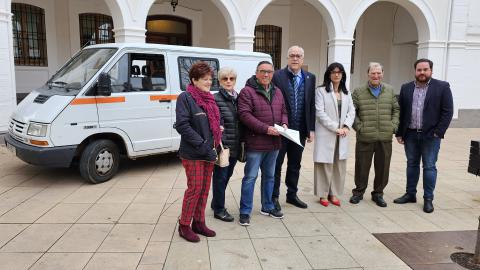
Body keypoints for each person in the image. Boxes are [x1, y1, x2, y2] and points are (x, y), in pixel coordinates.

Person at [393, 58, 453, 213]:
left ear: (431, 71)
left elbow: (447, 112)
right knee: (411, 164)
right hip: (411, 134)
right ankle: (410, 194)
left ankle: (428, 199)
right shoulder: (406, 88)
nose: (422, 72)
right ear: (415, 71)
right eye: (419, 70)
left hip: (431, 136)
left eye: (425, 69)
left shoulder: (442, 87)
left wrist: (438, 133)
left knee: (429, 166)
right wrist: (400, 132)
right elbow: (401, 112)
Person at [237, 61, 288, 226]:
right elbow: (245, 115)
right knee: (250, 177)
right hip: (256, 144)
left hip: (274, 143)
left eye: (269, 72)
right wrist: (266, 129)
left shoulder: (278, 91)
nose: (266, 75)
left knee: (270, 177)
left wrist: (285, 124)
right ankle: (245, 211)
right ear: (256, 73)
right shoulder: (247, 92)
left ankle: (267, 206)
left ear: (273, 74)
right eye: (263, 71)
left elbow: (284, 112)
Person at [175, 61, 220, 242]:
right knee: (194, 189)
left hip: (210, 151)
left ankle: (199, 222)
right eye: (204, 79)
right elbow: (183, 126)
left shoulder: (210, 98)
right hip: (194, 153)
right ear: (194, 80)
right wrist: (203, 146)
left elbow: (215, 122)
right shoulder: (185, 98)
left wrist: (219, 129)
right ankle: (184, 225)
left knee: (204, 189)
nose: (209, 82)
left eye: (210, 79)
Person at [272, 45, 316, 210]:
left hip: (300, 130)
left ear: (302, 59)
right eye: (292, 55)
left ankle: (291, 195)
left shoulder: (310, 77)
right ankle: (274, 197)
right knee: (277, 164)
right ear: (287, 58)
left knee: (295, 164)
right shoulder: (277, 76)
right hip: (282, 130)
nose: (295, 58)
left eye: (298, 56)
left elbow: (311, 105)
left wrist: (311, 129)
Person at [350, 62, 400, 207]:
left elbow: (396, 109)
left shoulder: (390, 90)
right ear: (368, 74)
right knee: (361, 167)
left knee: (383, 168)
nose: (376, 76)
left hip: (385, 137)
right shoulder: (359, 91)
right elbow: (352, 112)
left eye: (378, 73)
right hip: (365, 136)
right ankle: (358, 192)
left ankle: (378, 194)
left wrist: (393, 126)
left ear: (382, 74)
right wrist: (359, 127)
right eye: (373, 73)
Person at [313, 63, 355, 206]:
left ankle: (334, 193)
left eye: (339, 72)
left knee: (339, 164)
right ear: (328, 74)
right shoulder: (321, 91)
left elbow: (352, 111)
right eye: (333, 72)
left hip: (342, 134)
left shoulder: (347, 93)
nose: (336, 75)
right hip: (327, 133)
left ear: (343, 75)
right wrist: (335, 127)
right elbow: (320, 113)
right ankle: (323, 194)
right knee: (324, 164)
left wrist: (346, 126)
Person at [211, 67, 240, 222]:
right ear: (220, 81)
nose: (229, 81)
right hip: (223, 147)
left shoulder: (238, 97)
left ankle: (216, 202)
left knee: (227, 176)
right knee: (220, 178)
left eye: (231, 78)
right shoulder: (216, 98)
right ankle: (219, 209)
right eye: (225, 79)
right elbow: (217, 122)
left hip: (235, 144)